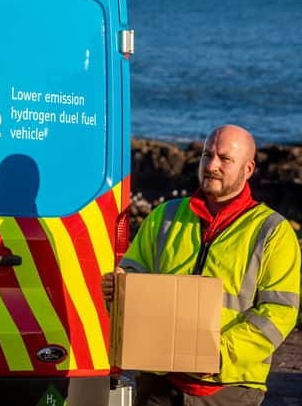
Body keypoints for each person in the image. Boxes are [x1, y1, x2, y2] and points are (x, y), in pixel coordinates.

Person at [102, 125, 301, 406]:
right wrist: (117, 290)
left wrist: (219, 355)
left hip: (230, 389)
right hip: (159, 383)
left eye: (224, 158)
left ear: (248, 168)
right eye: (207, 155)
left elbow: (279, 313)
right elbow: (133, 279)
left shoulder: (273, 231)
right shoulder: (164, 216)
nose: (212, 165)